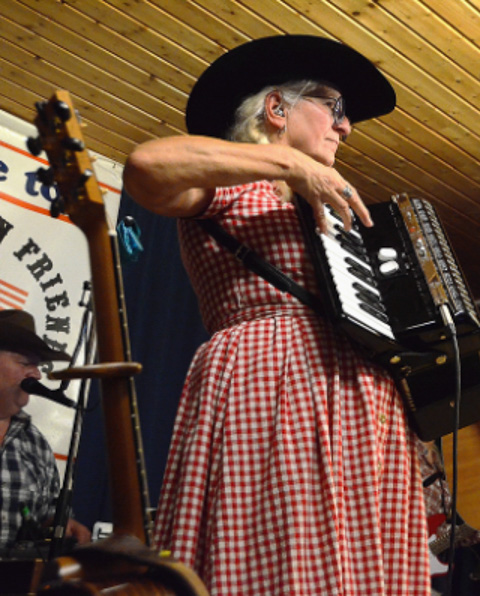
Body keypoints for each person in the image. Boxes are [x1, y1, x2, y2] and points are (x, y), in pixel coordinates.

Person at [122, 36, 429, 594]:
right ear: (276, 108)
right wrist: (288, 162)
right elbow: (145, 166)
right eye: (335, 107)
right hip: (273, 386)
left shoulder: (327, 213)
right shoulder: (232, 188)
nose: (346, 127)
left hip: (364, 419)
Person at [0, 309, 91, 552]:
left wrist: (57, 525)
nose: (37, 374)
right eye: (25, 363)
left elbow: (44, 515)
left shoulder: (35, 444)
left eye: (38, 365)